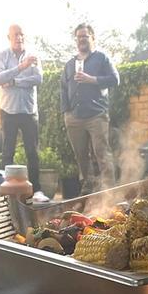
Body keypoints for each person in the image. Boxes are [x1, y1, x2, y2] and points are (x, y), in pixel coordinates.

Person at [60, 24, 120, 194]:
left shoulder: (102, 58)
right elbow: (63, 88)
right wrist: (66, 112)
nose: (81, 40)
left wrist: (92, 79)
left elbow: (115, 80)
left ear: (92, 38)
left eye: (85, 36)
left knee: (102, 153)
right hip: (74, 117)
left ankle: (110, 190)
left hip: (96, 115)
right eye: (78, 37)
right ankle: (88, 187)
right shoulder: (70, 63)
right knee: (81, 156)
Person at [0, 24, 49, 202]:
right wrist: (21, 67)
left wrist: (15, 81)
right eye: (15, 35)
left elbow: (38, 79)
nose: (19, 38)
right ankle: (8, 190)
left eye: (22, 34)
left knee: (32, 151)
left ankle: (37, 190)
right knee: (7, 151)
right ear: (8, 37)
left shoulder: (33, 56)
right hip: (8, 110)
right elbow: (0, 78)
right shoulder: (1, 55)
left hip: (28, 110)